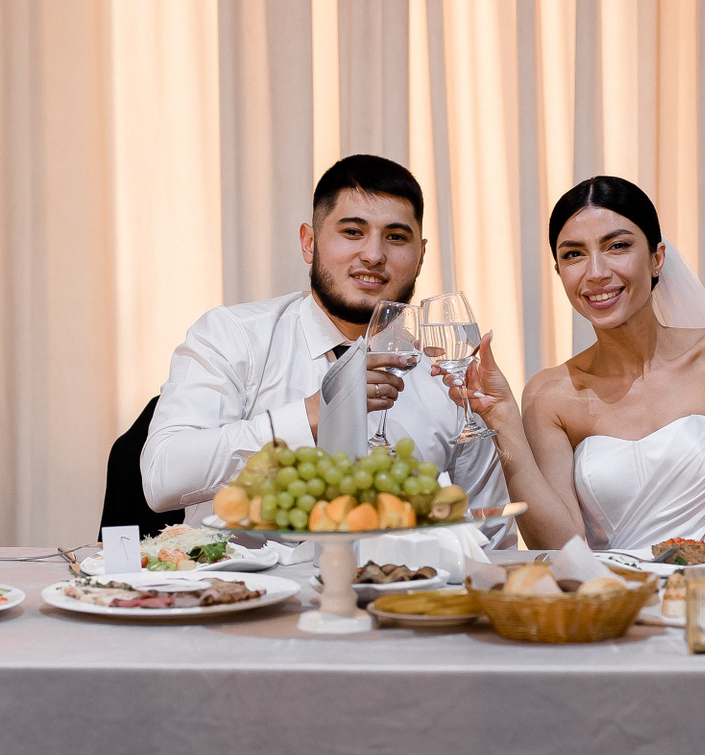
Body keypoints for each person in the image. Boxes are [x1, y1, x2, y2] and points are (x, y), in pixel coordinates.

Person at [446, 175, 705, 552]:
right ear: (560, 273)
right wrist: (502, 419)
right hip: (610, 587)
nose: (596, 272)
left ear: (657, 259)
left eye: (617, 246)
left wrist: (678, 573)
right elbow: (560, 546)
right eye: (574, 254)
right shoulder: (548, 394)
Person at [142, 155, 511, 538]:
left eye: (396, 237)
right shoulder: (234, 335)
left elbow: (492, 537)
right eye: (352, 231)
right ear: (309, 242)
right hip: (249, 576)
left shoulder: (447, 377)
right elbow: (161, 477)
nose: (373, 255)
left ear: (421, 256)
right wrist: (314, 414)